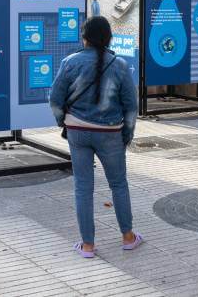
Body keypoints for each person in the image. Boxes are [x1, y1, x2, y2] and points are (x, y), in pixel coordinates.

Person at [49, 16, 141, 258]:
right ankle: (128, 238)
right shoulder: (120, 65)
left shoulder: (69, 62)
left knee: (83, 187)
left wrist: (64, 122)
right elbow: (131, 106)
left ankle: (88, 245)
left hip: (78, 133)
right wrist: (126, 134)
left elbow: (55, 99)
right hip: (110, 134)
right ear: (108, 38)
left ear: (85, 37)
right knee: (118, 184)